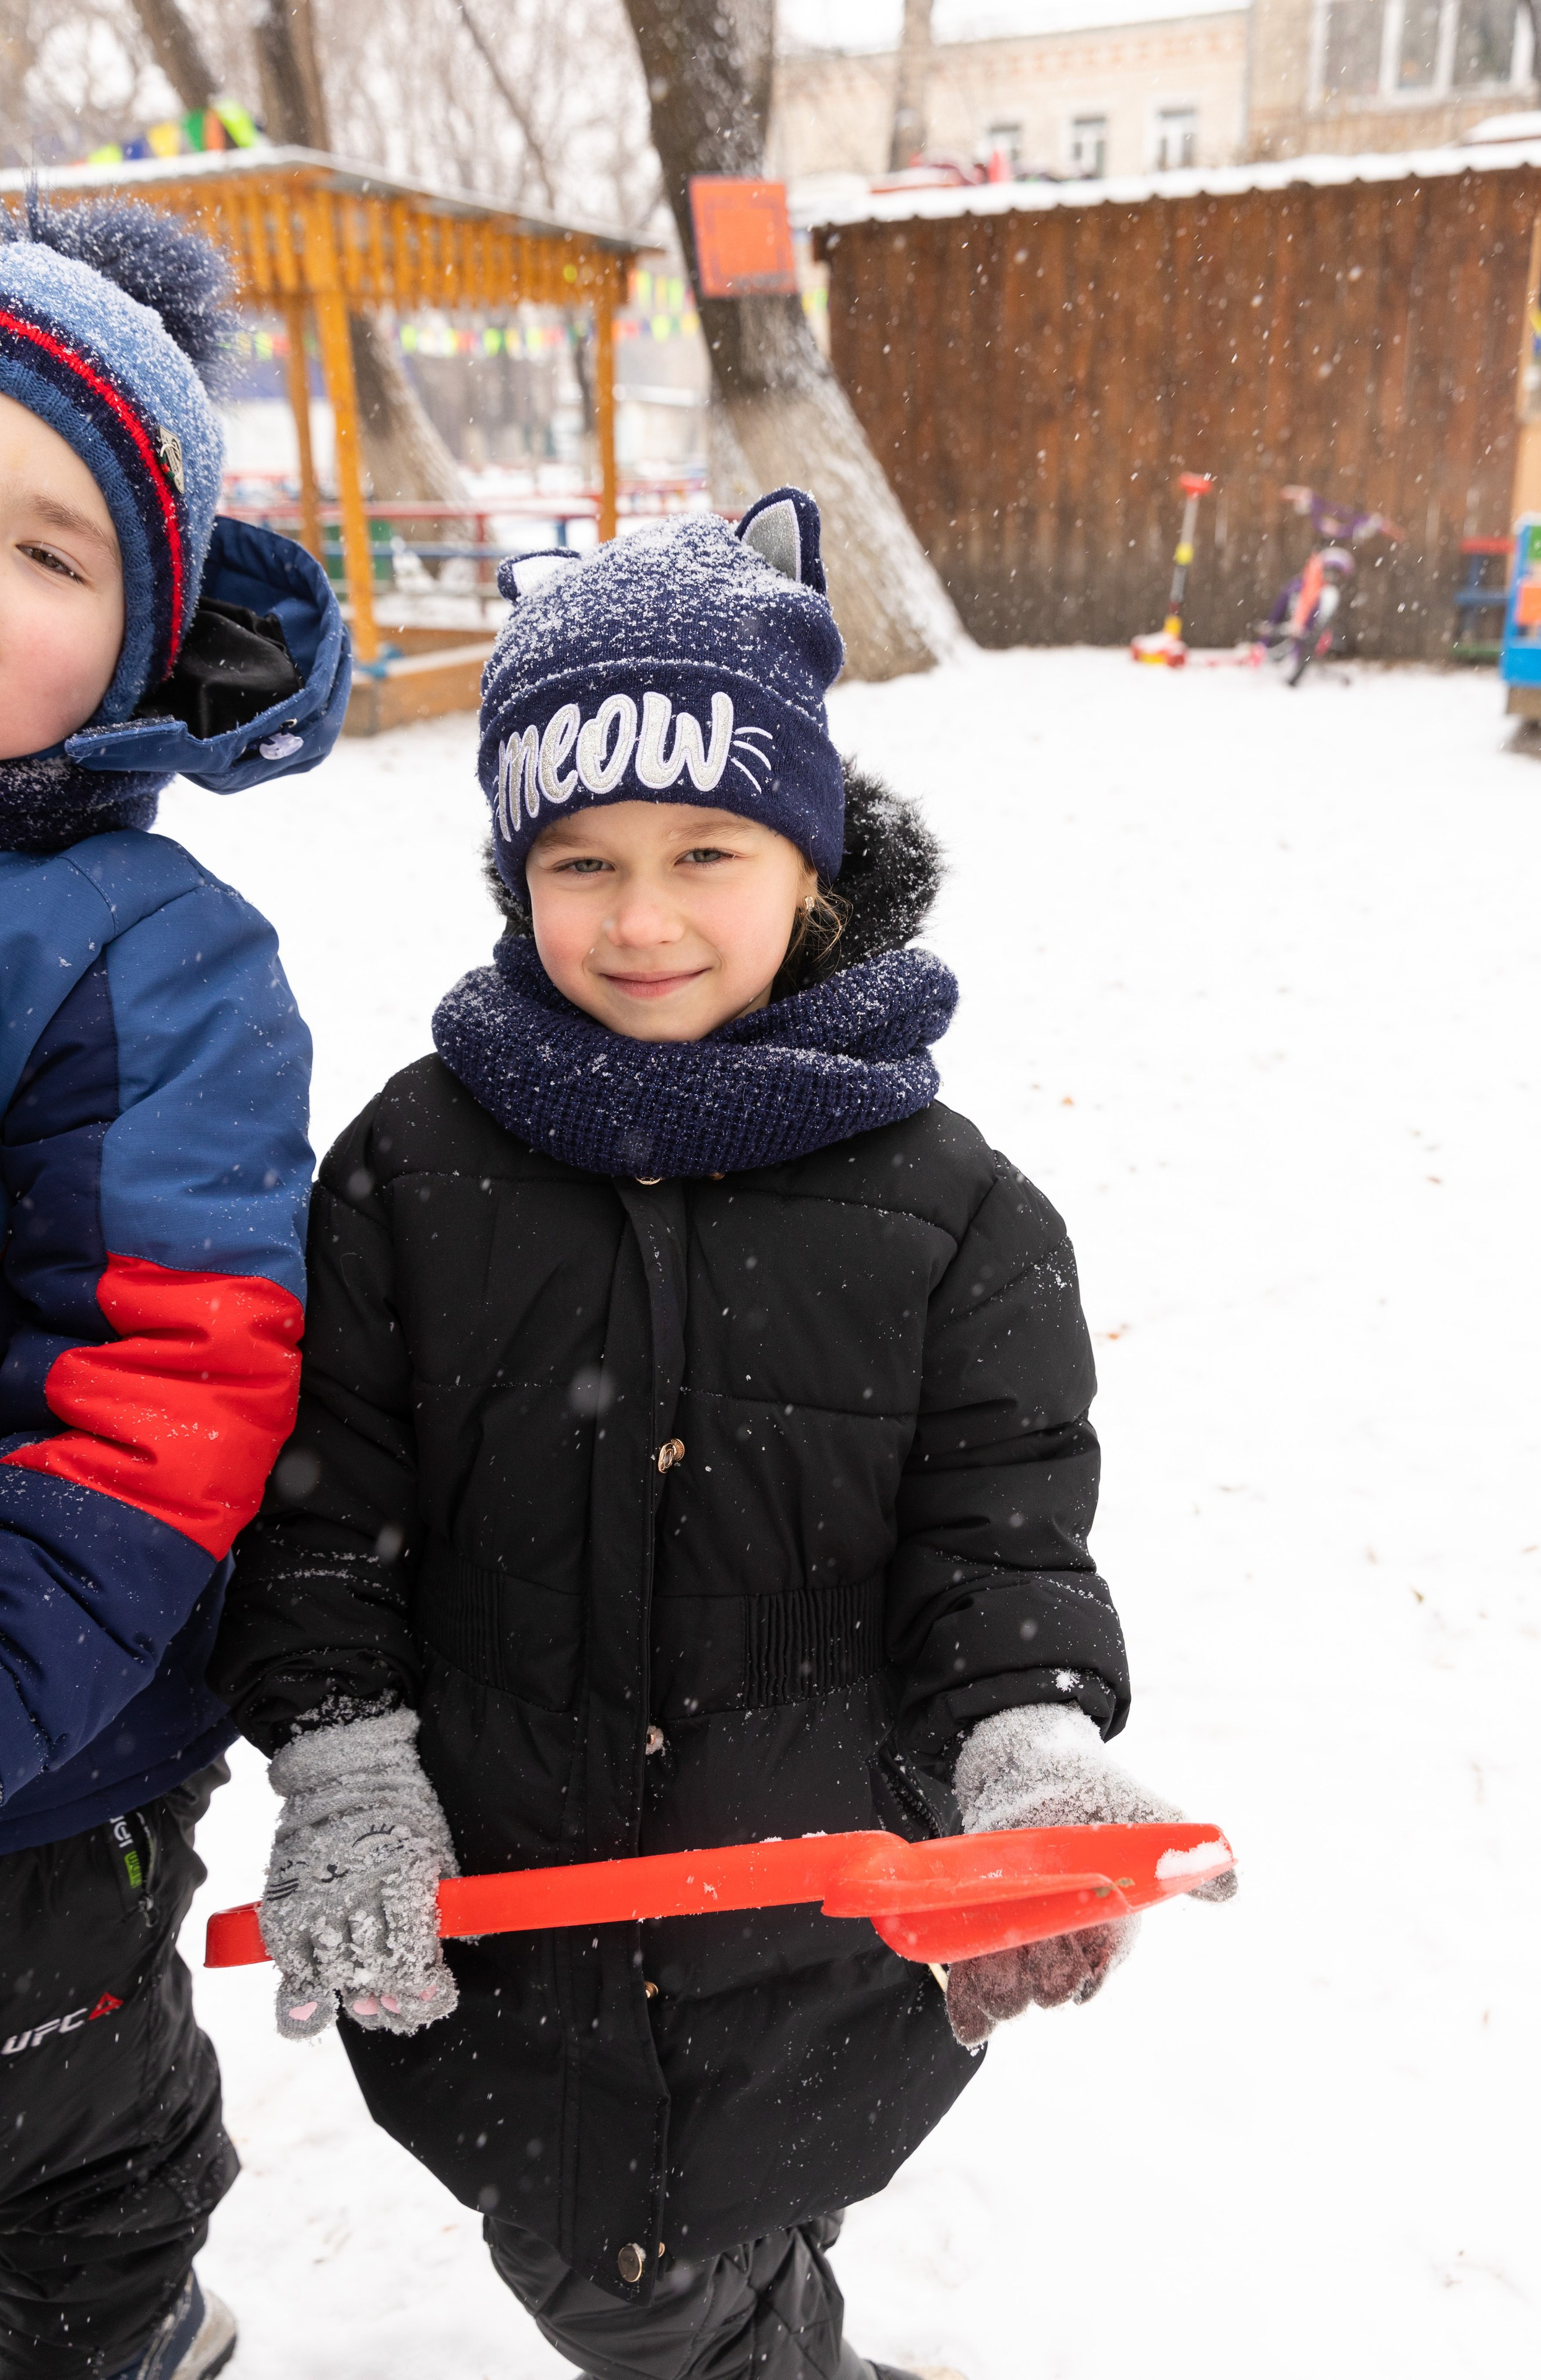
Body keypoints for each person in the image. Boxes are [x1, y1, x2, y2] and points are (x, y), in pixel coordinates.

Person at [211, 488, 1233, 2380]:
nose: (647, 916)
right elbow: (321, 1509)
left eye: (708, 847)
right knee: (613, 2275)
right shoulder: (411, 1172)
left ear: (814, 866)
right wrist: (344, 1759)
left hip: (815, 1949)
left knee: (761, 2205)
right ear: (512, 876)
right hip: (510, 1947)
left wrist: (1022, 1747)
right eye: (579, 860)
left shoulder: (954, 1215)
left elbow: (999, 1545)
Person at [0, 192, 350, 2380]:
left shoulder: (144, 955)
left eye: (41, 551)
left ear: (141, 641)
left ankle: (124, 2330)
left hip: (40, 1780)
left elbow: (174, 1381)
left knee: (63, 2159)